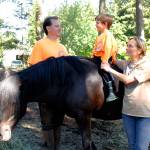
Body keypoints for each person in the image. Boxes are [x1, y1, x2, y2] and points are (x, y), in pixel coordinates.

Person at [101, 36, 150, 150]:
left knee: (141, 147)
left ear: (139, 50)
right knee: (132, 146)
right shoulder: (127, 63)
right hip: (128, 112)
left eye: (130, 46)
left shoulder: (147, 65)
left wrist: (110, 70)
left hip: (144, 114)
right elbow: (114, 60)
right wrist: (105, 53)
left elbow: (128, 80)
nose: (126, 48)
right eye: (127, 45)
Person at [28, 16, 68, 146]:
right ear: (48, 28)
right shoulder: (40, 44)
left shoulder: (62, 46)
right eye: (56, 25)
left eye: (59, 25)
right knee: (47, 122)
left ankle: (56, 146)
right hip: (45, 91)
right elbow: (33, 67)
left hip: (61, 91)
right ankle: (49, 145)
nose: (59, 28)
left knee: (58, 121)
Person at [92, 14, 118, 101]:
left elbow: (108, 47)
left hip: (104, 59)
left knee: (105, 73)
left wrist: (105, 61)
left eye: (98, 23)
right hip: (96, 58)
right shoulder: (100, 36)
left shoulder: (108, 35)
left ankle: (111, 91)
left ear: (105, 24)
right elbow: (95, 49)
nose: (96, 24)